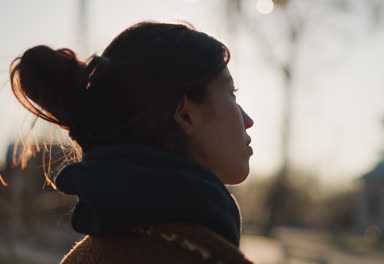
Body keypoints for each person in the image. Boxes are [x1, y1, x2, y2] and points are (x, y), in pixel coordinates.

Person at [9, 21, 255, 264]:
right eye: (232, 94)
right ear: (185, 114)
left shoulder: (85, 256)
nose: (248, 120)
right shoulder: (192, 256)